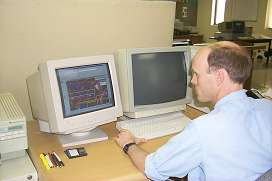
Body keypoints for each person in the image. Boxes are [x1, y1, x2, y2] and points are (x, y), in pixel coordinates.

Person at [115, 41, 272, 181]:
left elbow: (152, 169)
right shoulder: (267, 108)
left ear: (219, 77)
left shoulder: (204, 129)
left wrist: (128, 144)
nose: (192, 81)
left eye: (196, 74)